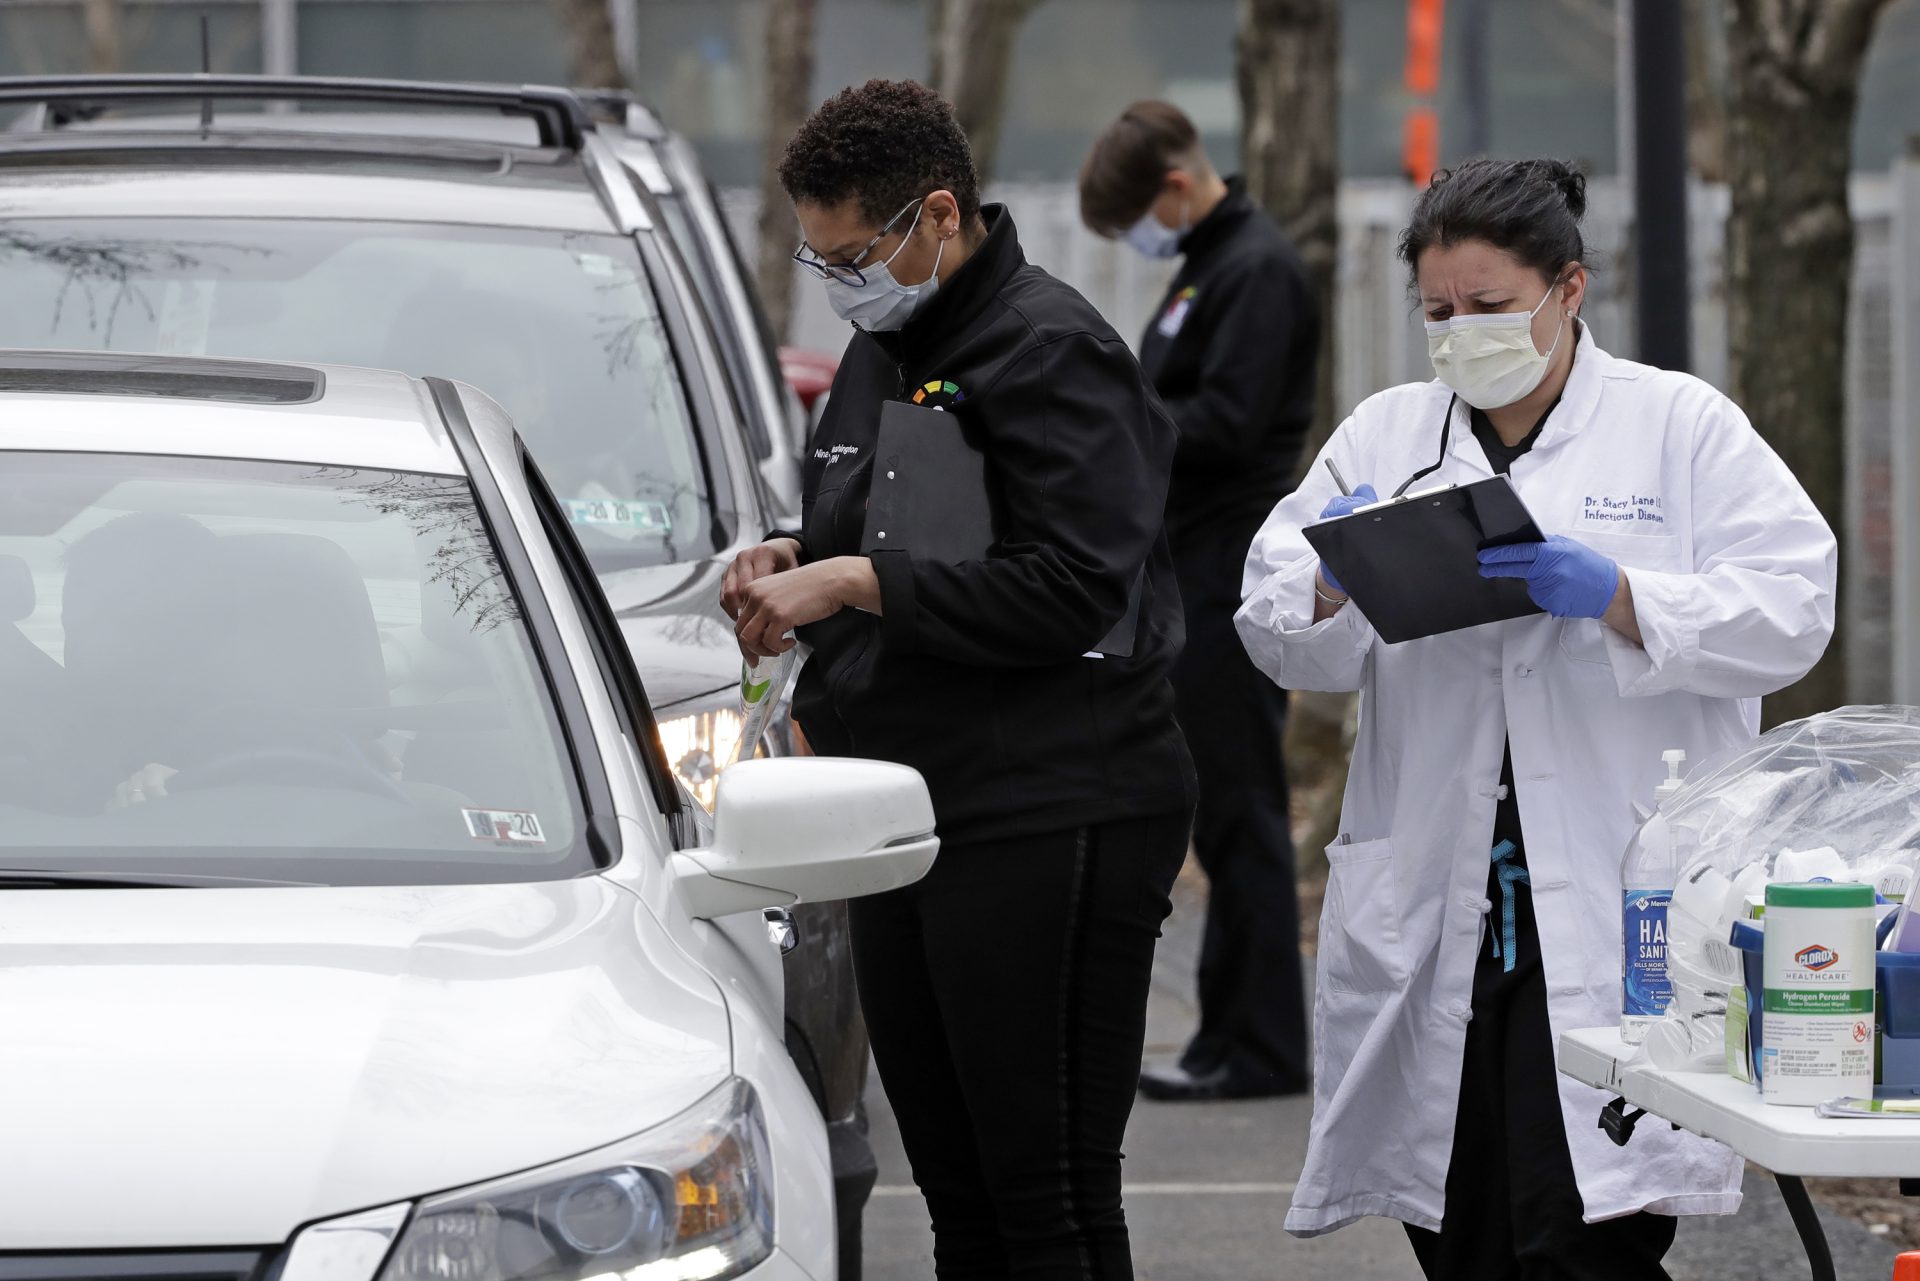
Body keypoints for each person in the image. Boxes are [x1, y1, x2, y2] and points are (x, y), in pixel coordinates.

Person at [1236, 157, 1836, 1278]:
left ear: (1570, 289)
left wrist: (1619, 594)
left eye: (1491, 307)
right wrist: (1330, 578)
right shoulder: (1386, 435)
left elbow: (1795, 609)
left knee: (1586, 1240)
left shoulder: (1679, 427)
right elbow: (1270, 628)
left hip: (1619, 901)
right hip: (1440, 896)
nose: (1462, 334)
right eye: (1440, 313)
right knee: (1458, 1228)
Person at [720, 79, 1196, 1280]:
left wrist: (852, 587)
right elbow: (880, 518)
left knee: (1045, 1197)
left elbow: (1078, 587)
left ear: (939, 216)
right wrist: (794, 549)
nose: (838, 283)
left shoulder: (1054, 350)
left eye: (852, 255)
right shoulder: (887, 347)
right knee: (956, 1192)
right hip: (907, 810)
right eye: (816, 258)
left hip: (1052, 806)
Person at [1080, 100, 1318, 1101]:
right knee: (1219, 816)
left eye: (1136, 216)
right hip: (1193, 563)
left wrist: (1112, 412)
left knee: (1241, 810)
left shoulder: (1255, 271)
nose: (1138, 239)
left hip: (1234, 568)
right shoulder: (1206, 268)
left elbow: (1225, 422)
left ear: (1175, 188)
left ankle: (1264, 1046)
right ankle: (1229, 1036)